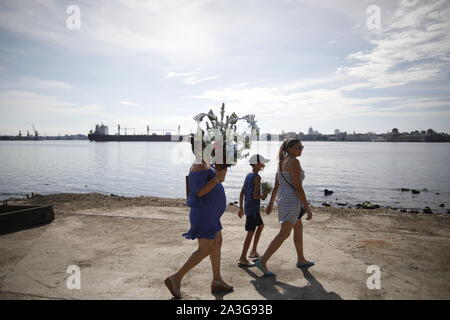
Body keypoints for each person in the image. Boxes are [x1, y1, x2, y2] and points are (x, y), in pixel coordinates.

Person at [164, 134, 233, 299]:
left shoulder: (204, 163)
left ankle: (217, 280)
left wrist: (222, 165)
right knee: (205, 249)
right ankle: (176, 278)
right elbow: (199, 192)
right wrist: (217, 179)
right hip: (204, 213)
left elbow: (216, 179)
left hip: (210, 214)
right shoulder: (199, 165)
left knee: (216, 243)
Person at [255, 138, 314, 276]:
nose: (301, 150)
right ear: (290, 148)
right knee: (284, 233)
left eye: (302, 147)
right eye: (299, 147)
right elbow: (298, 188)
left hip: (284, 201)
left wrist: (270, 204)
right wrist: (308, 208)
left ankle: (301, 259)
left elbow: (277, 185)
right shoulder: (294, 162)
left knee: (298, 229)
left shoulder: (282, 162)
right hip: (292, 202)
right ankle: (262, 261)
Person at [237, 154, 270, 267]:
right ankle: (242, 258)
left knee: (260, 226)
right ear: (256, 164)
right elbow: (255, 196)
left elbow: (242, 193)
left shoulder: (248, 175)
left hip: (250, 208)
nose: (264, 165)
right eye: (262, 163)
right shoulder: (257, 177)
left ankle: (253, 251)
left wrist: (241, 208)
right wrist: (263, 195)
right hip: (253, 209)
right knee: (250, 233)